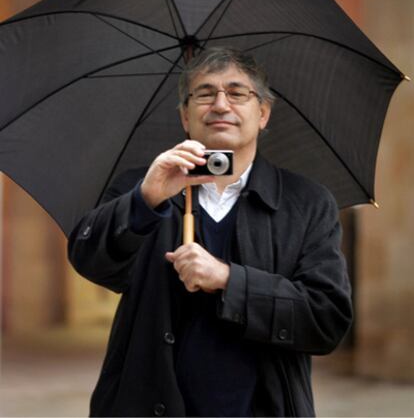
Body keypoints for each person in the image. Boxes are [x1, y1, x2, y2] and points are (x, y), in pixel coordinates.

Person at [68, 47, 352, 418]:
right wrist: (145, 199)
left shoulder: (308, 203)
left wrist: (228, 279)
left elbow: (326, 320)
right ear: (185, 116)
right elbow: (89, 260)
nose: (220, 104)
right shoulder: (144, 187)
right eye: (204, 93)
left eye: (237, 93)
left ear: (263, 113)